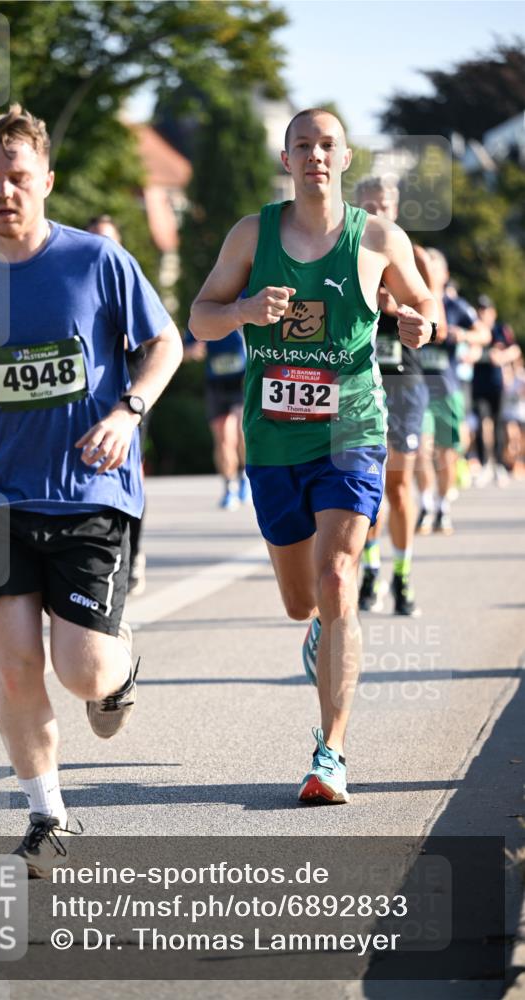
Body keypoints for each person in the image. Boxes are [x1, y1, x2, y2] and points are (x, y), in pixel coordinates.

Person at [0, 105, 182, 876]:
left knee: (83, 672)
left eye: (17, 178)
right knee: (16, 664)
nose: (3, 193)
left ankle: (120, 671)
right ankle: (47, 815)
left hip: (88, 490)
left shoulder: (96, 263)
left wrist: (129, 411)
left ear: (46, 180)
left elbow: (165, 343)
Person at [190, 108, 437, 805]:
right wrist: (240, 312)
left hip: (348, 432)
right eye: (303, 145)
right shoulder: (251, 234)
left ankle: (329, 753)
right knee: (301, 602)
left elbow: (424, 309)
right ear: (286, 156)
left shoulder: (378, 238)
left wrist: (417, 322)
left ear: (345, 157)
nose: (315, 156)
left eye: (327, 145)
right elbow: (198, 316)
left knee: (335, 581)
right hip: (271, 440)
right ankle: (321, 638)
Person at [354, 177, 445, 615]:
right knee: (363, 486)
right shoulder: (346, 255)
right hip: (357, 383)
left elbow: (436, 321)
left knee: (399, 485)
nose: (377, 212)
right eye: (368, 205)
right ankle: (370, 572)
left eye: (384, 205)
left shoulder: (416, 258)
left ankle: (403, 576)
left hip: (404, 384)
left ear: (396, 208)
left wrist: (410, 314)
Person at [87, 214, 149, 594]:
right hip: (93, 400)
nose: (102, 249)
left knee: (129, 473)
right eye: (94, 240)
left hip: (133, 393)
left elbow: (159, 341)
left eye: (108, 240)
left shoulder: (130, 279)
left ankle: (133, 551)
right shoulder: (75, 282)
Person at [416, 252, 490, 535]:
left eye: (435, 269)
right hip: (417, 389)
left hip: (447, 390)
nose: (429, 274)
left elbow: (483, 333)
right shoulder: (411, 301)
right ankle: (424, 504)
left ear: (444, 275)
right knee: (421, 450)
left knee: (446, 455)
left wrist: (464, 336)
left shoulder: (456, 305)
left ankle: (443, 506)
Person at [183, 326, 250, 510]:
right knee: (224, 440)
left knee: (241, 434)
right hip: (216, 385)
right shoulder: (204, 305)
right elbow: (182, 351)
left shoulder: (244, 299)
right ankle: (229, 488)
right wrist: (192, 351)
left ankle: (245, 475)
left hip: (241, 382)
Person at [472, 295, 521, 484]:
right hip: (478, 384)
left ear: (493, 312)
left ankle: (499, 465)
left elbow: (515, 350)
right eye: (480, 310)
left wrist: (501, 356)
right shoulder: (474, 328)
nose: (483, 314)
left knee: (499, 423)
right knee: (482, 423)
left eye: (486, 310)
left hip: (497, 385)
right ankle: (485, 463)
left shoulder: (501, 329)